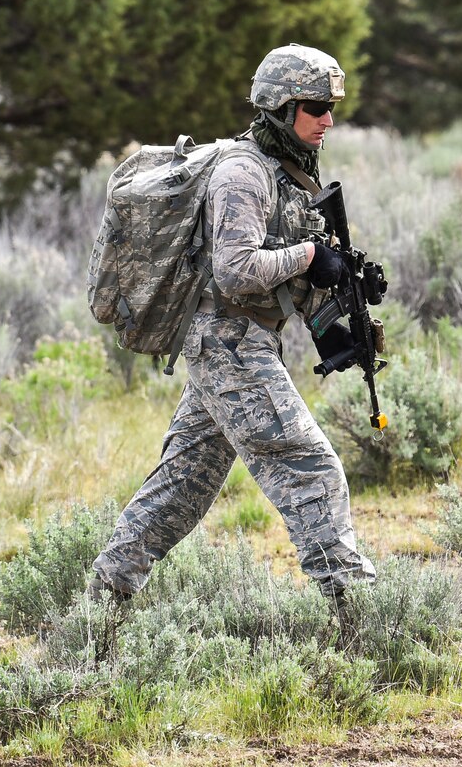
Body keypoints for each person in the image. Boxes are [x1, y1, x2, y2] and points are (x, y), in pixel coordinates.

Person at [89, 44, 376, 611]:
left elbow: (286, 271)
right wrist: (309, 257)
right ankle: (358, 611)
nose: (328, 119)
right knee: (311, 468)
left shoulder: (284, 170)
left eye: (331, 107)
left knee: (182, 487)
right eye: (315, 106)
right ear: (280, 107)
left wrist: (334, 323)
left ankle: (103, 603)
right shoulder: (243, 173)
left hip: (236, 342)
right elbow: (236, 268)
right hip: (229, 344)